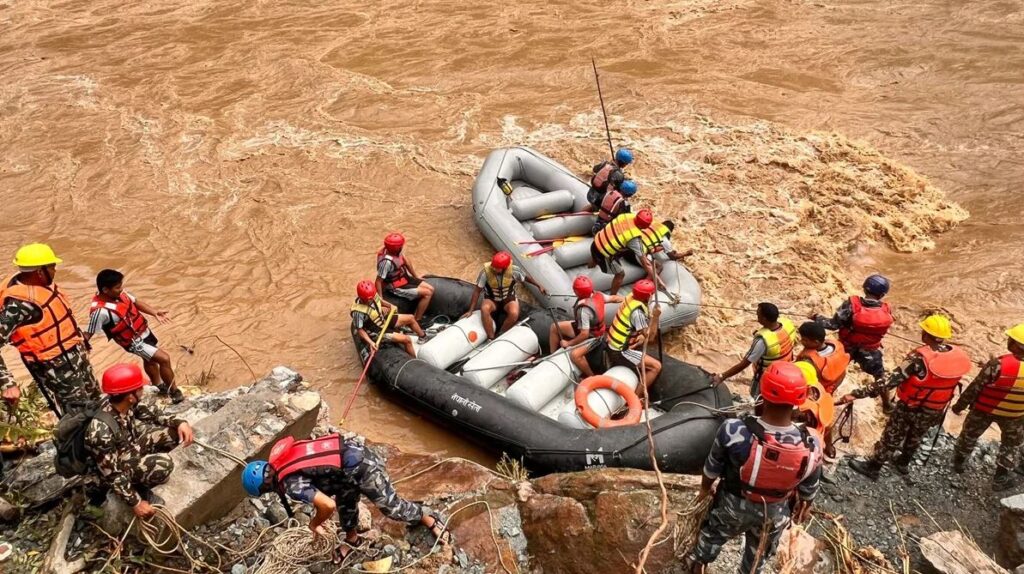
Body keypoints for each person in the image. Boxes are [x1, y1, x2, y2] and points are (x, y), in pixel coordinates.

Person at [684, 362, 823, 574]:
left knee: (712, 536)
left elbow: (712, 467)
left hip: (733, 505)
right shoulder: (812, 442)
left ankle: (698, 566)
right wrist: (804, 505)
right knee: (758, 557)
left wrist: (704, 489)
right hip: (774, 511)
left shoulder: (734, 430)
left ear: (762, 393)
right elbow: (808, 490)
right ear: (800, 399)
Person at [241, 433, 448, 562]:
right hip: (345, 467)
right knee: (346, 503)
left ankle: (427, 517)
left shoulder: (291, 484)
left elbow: (327, 505)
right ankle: (352, 539)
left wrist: (315, 523)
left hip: (362, 466)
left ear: (265, 489)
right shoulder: (281, 459)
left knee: (391, 508)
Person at [838, 314, 972, 479]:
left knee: (892, 436)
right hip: (935, 408)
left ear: (925, 334)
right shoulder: (957, 356)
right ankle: (903, 463)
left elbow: (889, 382)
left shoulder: (919, 359)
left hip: (911, 406)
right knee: (916, 435)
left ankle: (874, 467)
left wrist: (856, 394)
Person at [0, 243, 100, 417]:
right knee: (79, 416)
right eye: (52, 267)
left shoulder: (41, 285)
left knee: (97, 401)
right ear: (40, 272)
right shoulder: (18, 306)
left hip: (76, 356)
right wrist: (7, 383)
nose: (55, 271)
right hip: (57, 371)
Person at [84, 363, 194, 519]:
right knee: (164, 464)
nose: (142, 390)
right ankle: (140, 487)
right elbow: (111, 475)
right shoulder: (100, 433)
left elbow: (154, 414)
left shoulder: (123, 402)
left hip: (128, 449)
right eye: (140, 388)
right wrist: (135, 502)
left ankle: (140, 473)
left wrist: (179, 422)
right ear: (130, 396)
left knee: (173, 434)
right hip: (111, 470)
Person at [85, 269, 183, 404]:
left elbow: (136, 302)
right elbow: (89, 332)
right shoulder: (99, 312)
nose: (121, 289)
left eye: (121, 285)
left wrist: (154, 312)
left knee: (150, 360)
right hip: (134, 342)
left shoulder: (121, 294)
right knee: (164, 359)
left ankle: (158, 385)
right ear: (105, 290)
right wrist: (82, 346)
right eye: (117, 287)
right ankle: (174, 391)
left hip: (144, 331)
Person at [949, 323, 1024, 490]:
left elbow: (975, 388)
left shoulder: (997, 365)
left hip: (984, 410)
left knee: (969, 436)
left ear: (1015, 345)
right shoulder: (996, 364)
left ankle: (959, 464)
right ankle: (1000, 478)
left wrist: (959, 406)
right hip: (1015, 415)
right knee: (1010, 445)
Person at [811, 274, 895, 412]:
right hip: (870, 350)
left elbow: (833, 325)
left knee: (834, 371)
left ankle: (822, 399)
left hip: (847, 346)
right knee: (880, 377)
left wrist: (816, 317)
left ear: (864, 288)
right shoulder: (886, 308)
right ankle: (887, 405)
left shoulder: (852, 304)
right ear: (882, 295)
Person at [583, 279, 661, 384]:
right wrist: (656, 317)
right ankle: (637, 394)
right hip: (619, 351)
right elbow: (650, 338)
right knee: (656, 366)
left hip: (612, 341)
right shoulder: (637, 313)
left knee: (641, 338)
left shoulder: (630, 297)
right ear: (649, 296)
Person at [713, 303, 798, 399]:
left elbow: (744, 364)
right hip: (787, 374)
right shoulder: (788, 324)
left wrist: (722, 376)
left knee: (759, 399)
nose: (757, 317)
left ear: (764, 319)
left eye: (758, 315)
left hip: (768, 379)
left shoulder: (762, 341)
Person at [464, 252, 547, 340]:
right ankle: (490, 337)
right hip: (492, 299)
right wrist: (471, 310)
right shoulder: (485, 273)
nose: (494, 268)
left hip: (508, 298)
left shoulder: (515, 271)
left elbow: (526, 278)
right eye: (493, 266)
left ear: (504, 268)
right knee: (484, 309)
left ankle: (500, 334)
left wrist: (539, 286)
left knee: (514, 313)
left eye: (497, 267)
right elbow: (477, 291)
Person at [550, 276, 623, 369]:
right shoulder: (599, 295)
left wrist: (568, 343)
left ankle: (590, 374)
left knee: (575, 356)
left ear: (577, 292)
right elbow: (614, 298)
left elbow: (584, 334)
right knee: (554, 327)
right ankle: (552, 355)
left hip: (593, 337)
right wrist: (626, 299)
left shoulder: (583, 310)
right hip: (592, 327)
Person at [589, 209, 655, 295]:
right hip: (604, 254)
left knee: (595, 255)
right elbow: (646, 263)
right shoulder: (634, 238)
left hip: (596, 242)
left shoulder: (625, 216)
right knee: (620, 274)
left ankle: (590, 267)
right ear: (645, 227)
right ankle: (613, 296)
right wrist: (657, 280)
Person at [352, 281, 425, 358]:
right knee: (407, 340)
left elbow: (380, 301)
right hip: (377, 332)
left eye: (373, 297)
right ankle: (415, 361)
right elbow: (360, 330)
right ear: (362, 298)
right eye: (369, 299)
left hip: (383, 320)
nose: (372, 299)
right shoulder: (358, 312)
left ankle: (423, 337)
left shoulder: (372, 295)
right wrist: (371, 343)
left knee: (411, 318)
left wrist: (390, 305)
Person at [375, 233, 434, 322]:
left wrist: (416, 277)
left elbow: (406, 262)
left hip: (405, 278)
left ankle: (418, 314)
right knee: (428, 293)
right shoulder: (386, 263)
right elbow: (378, 281)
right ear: (396, 248)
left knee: (431, 288)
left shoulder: (395, 251)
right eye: (401, 245)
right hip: (396, 287)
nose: (402, 246)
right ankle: (417, 320)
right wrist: (381, 299)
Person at [795, 321, 850, 395]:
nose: (801, 341)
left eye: (805, 340)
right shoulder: (837, 345)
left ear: (816, 342)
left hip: (821, 390)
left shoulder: (808, 361)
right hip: (837, 381)